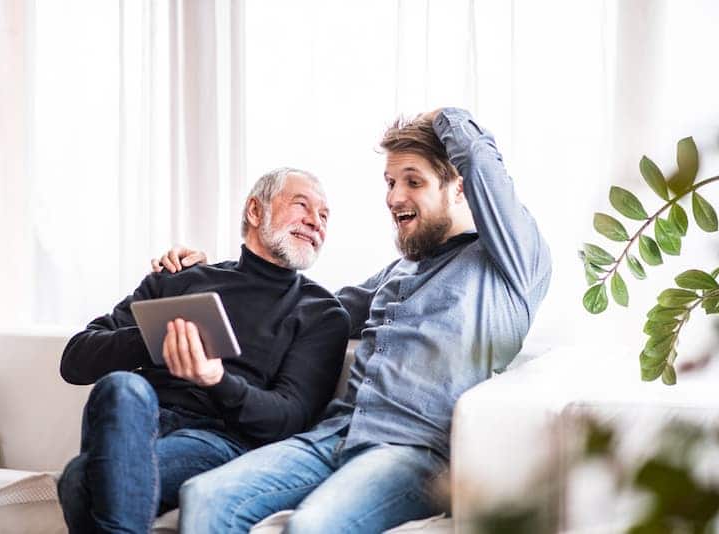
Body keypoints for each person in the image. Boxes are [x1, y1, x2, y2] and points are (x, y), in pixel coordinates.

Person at [154, 108, 552, 533]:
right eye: (391, 182)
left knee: (310, 526)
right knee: (204, 496)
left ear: (458, 188)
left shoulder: (508, 264)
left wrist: (444, 117)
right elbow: (308, 310)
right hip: (333, 435)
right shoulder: (398, 272)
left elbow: (480, 160)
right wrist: (209, 278)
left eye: (412, 181)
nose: (394, 197)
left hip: (412, 452)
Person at [56, 168, 351, 534]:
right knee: (121, 388)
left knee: (80, 478)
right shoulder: (180, 277)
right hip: (141, 419)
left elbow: (289, 418)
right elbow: (75, 361)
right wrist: (156, 338)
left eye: (324, 216)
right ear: (255, 212)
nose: (315, 222)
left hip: (217, 440)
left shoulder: (320, 311)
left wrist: (216, 379)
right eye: (301, 205)